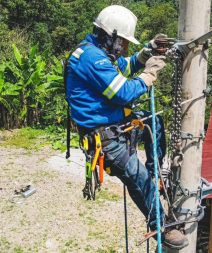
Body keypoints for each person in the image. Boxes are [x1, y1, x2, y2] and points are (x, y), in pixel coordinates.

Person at [64, 5, 188, 250]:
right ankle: (159, 225)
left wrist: (146, 54)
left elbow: (126, 65)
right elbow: (123, 92)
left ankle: (156, 175)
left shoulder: (97, 51)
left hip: (115, 126)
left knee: (154, 121)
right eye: (123, 41)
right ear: (110, 36)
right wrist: (150, 74)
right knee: (137, 178)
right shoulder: (93, 59)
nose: (126, 47)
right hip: (105, 138)